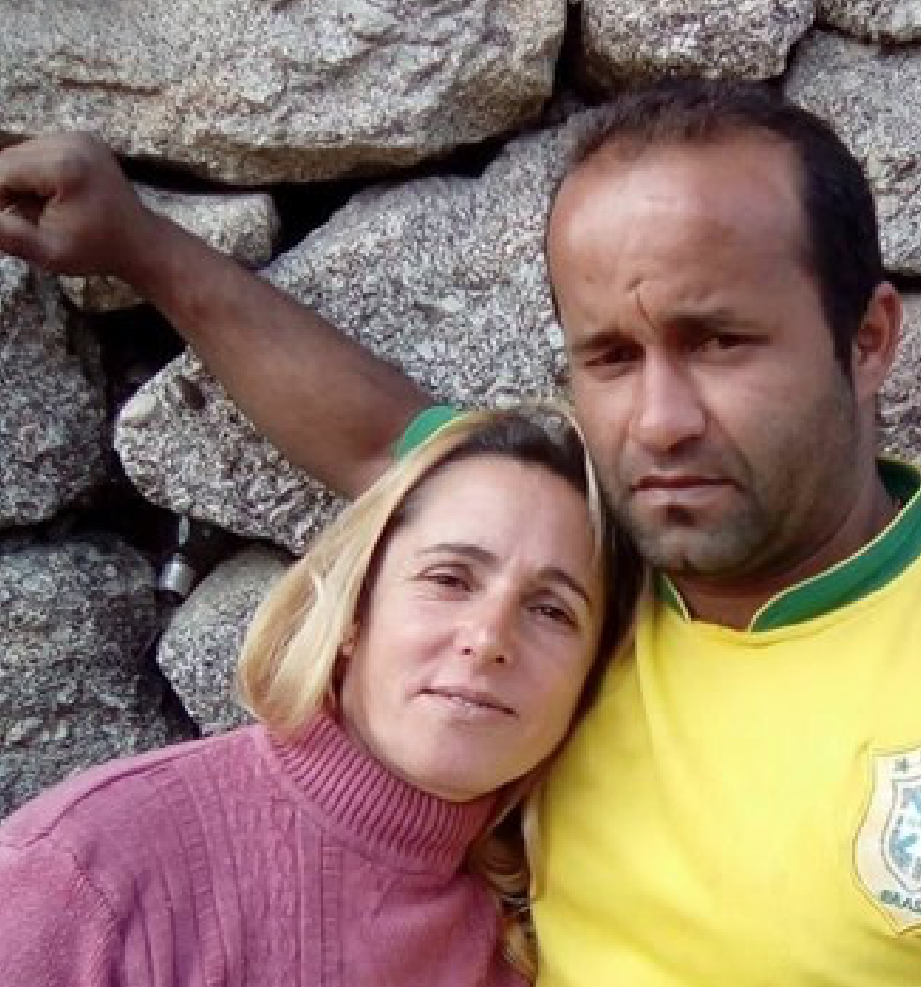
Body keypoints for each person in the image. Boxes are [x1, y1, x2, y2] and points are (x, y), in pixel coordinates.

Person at [0, 80, 921, 985]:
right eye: (610, 358)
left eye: (719, 342)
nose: (659, 420)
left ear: (867, 339)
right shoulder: (577, 592)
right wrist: (140, 244)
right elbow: (389, 449)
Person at [0, 408, 642, 986]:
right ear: (355, 610)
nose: (489, 638)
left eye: (552, 610)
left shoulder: (539, 938)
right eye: (449, 579)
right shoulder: (90, 869)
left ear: (587, 680)